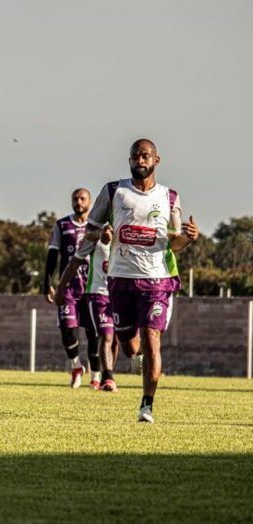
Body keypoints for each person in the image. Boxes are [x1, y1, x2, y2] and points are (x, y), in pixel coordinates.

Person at [57, 138, 198, 423]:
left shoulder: (169, 197)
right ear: (129, 160)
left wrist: (189, 237)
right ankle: (137, 363)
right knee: (130, 345)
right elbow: (91, 235)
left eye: (145, 156)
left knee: (151, 339)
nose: (140, 161)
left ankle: (147, 404)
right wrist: (63, 283)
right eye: (135, 156)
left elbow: (175, 242)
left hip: (156, 280)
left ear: (156, 160)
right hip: (120, 279)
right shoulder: (113, 192)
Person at [43, 189, 101, 389]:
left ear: (90, 202)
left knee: (94, 334)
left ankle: (96, 376)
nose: (78, 202)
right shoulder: (62, 225)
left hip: (92, 286)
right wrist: (47, 283)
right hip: (68, 288)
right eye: (75, 199)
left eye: (82, 198)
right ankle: (76, 366)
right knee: (67, 329)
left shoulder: (98, 226)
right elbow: (52, 256)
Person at [55, 225, 120, 391]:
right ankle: (107, 378)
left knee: (123, 341)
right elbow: (75, 261)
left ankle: (137, 354)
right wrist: (60, 287)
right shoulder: (92, 239)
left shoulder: (125, 238)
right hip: (98, 294)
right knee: (105, 336)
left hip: (121, 293)